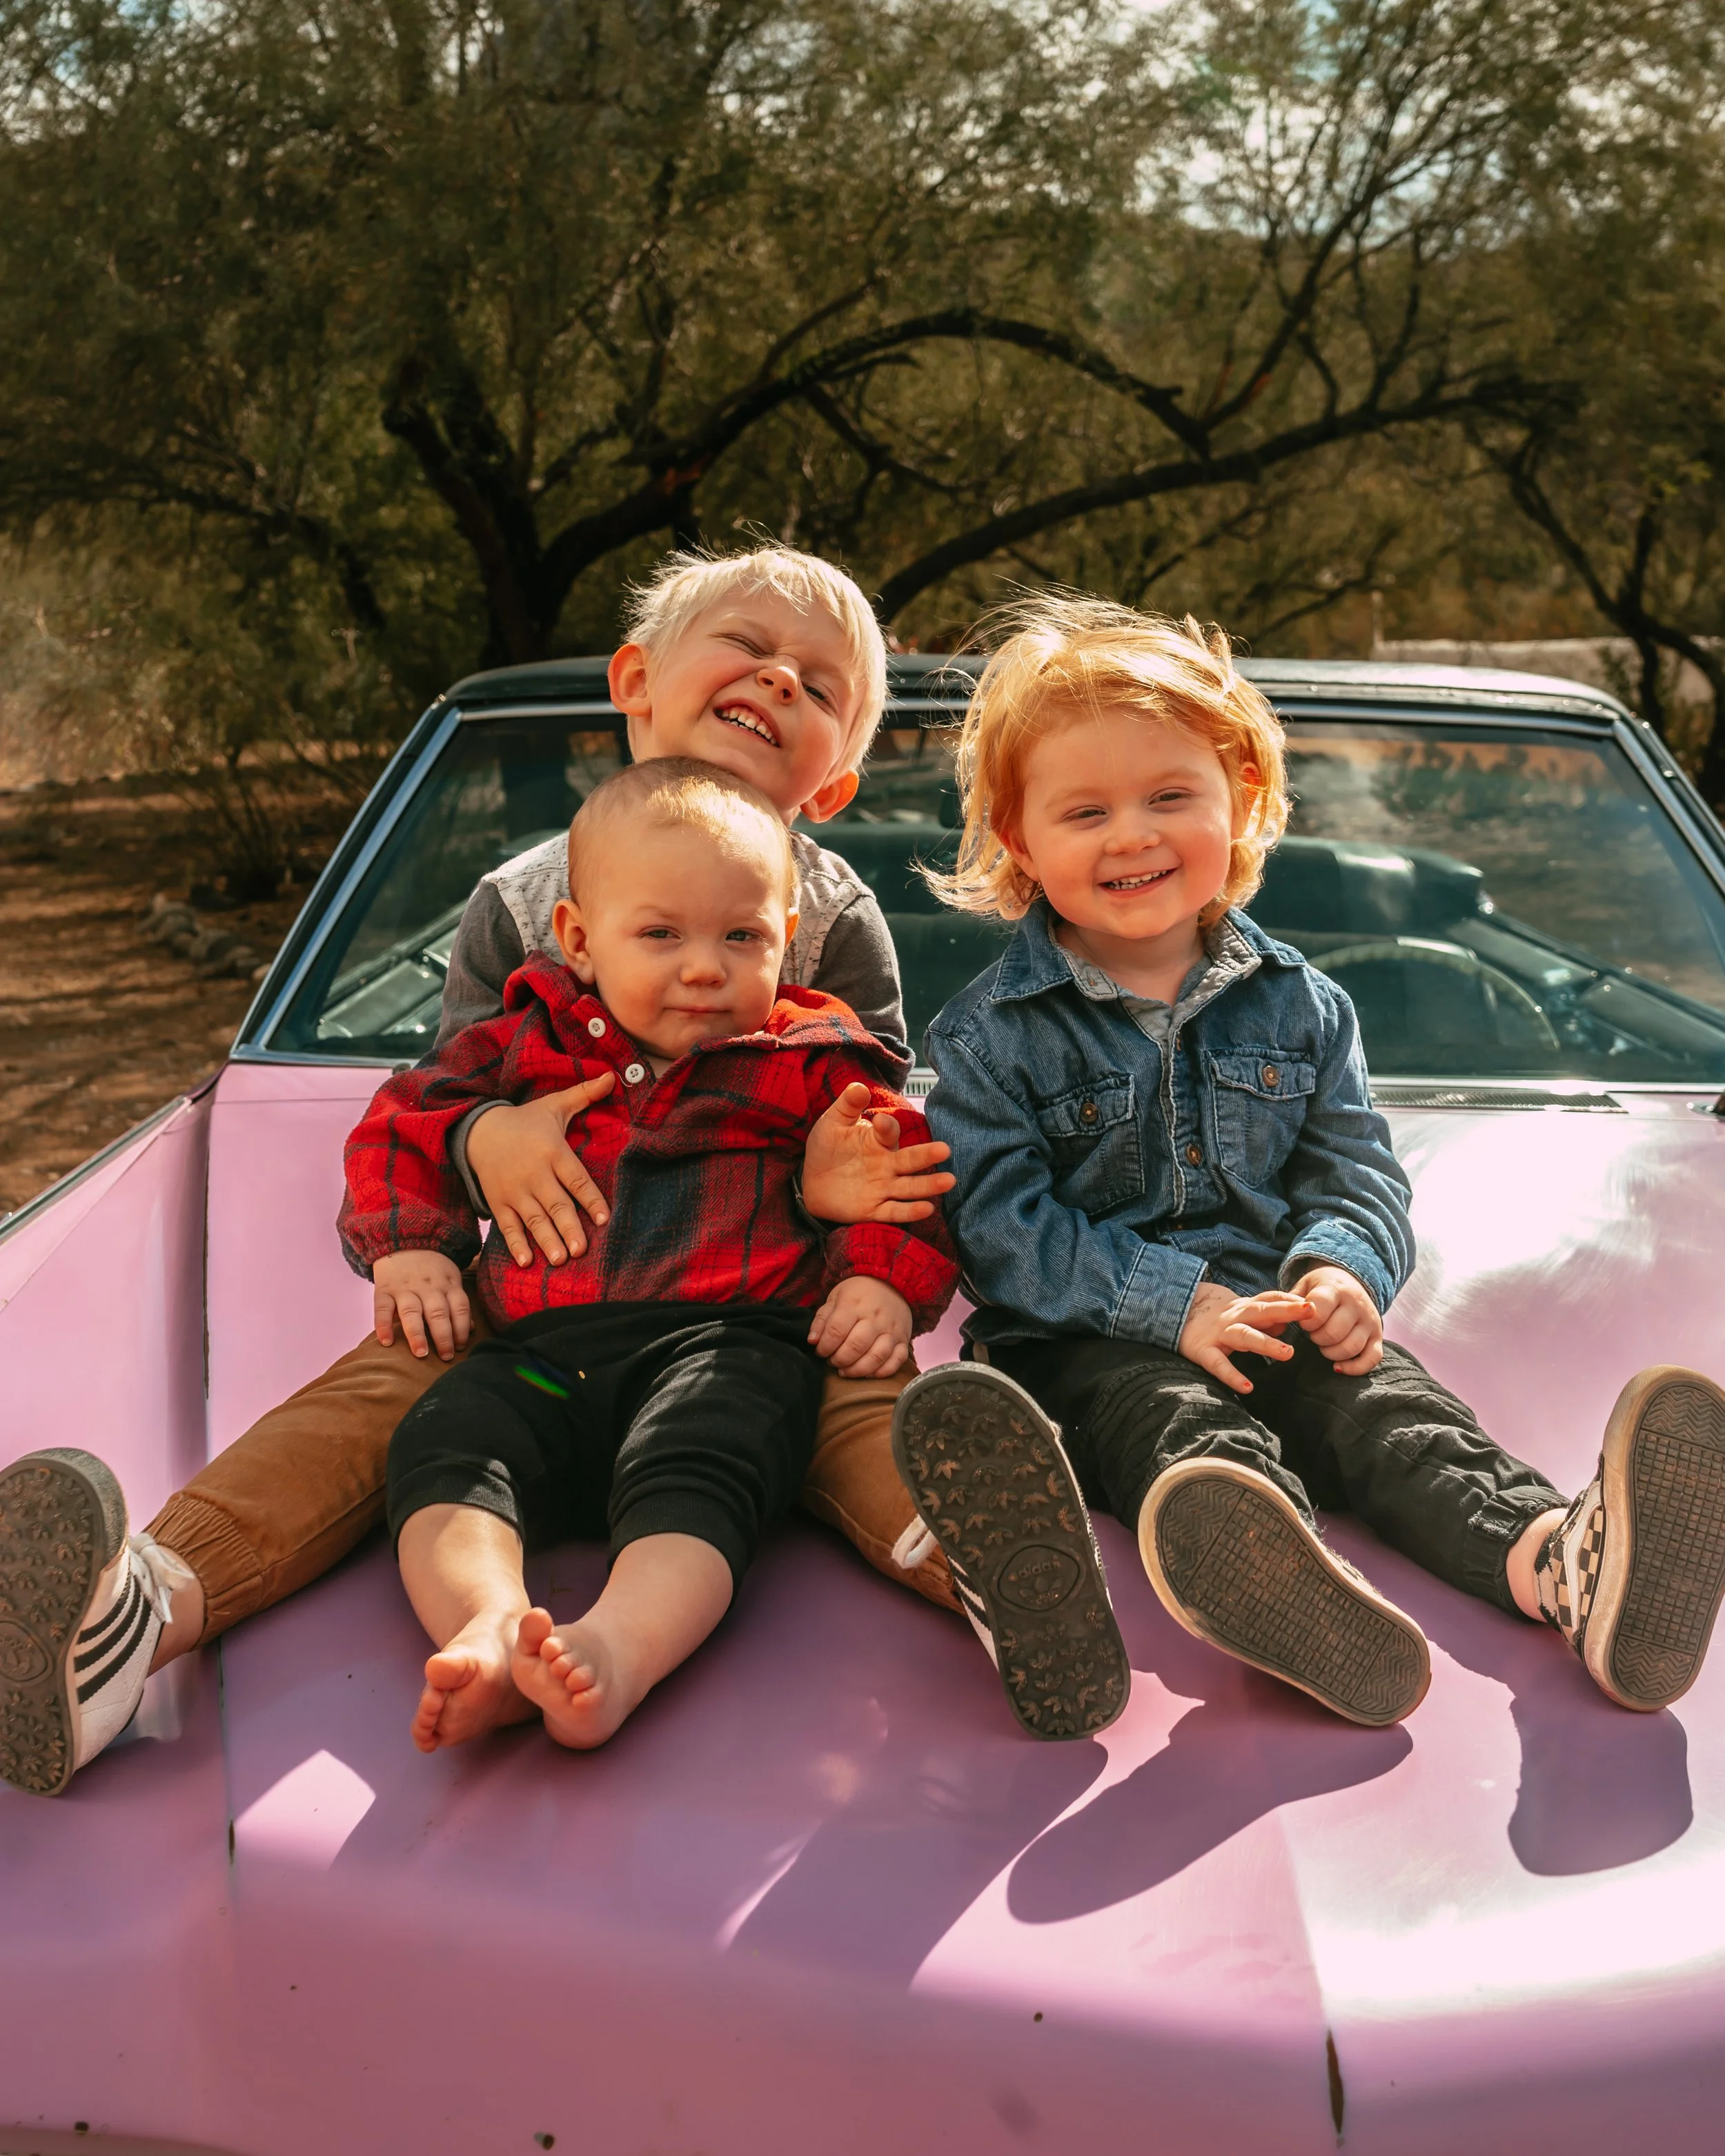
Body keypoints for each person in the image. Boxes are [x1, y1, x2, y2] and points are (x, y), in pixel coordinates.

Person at [0, 545, 959, 1799]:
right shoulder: (519, 899)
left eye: (820, 683)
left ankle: (988, 1568)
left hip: (752, 1302)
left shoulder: (836, 919)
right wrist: (471, 1149)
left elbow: (873, 1130)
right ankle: (138, 1612)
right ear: (638, 684)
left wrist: (861, 1231)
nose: (780, 678)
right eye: (748, 647)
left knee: (867, 1392)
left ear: (832, 778)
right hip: (529, 1302)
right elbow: (443, 1091)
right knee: (364, 1401)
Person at [893, 593, 1725, 1740]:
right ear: (1019, 840)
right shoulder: (987, 1035)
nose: (1131, 833)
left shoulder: (1307, 1006)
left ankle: (1559, 1562)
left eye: (1171, 796)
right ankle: (1271, 1571)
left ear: (1243, 802)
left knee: (1396, 1414)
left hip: (1280, 1312)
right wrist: (1174, 1304)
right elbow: (996, 1228)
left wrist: (1342, 1272)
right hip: (1087, 1345)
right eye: (1086, 810)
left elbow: (1359, 1173)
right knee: (1171, 1419)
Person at [344, 760, 956, 1750]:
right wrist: (410, 1248)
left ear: (787, 942)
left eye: (742, 937)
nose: (705, 967)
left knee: (706, 1463)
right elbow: (407, 1122)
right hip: (534, 1359)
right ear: (580, 940)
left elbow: (905, 1173)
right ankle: (487, 1628)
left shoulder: (810, 1059)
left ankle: (619, 1650)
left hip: (725, 1348)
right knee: (444, 1442)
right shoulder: (524, 1039)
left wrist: (882, 1280)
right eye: (660, 934)